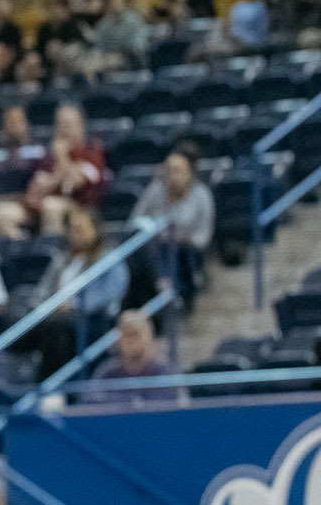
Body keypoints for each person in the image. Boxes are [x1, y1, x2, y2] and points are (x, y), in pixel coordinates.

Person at [28, 207, 128, 378]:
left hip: (95, 321)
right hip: (59, 318)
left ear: (95, 230)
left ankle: (51, 388)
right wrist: (45, 306)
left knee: (56, 329)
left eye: (80, 229)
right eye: (72, 229)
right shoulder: (62, 260)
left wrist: (73, 305)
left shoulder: (109, 260)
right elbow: (42, 291)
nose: (75, 234)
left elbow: (111, 292)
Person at [0, 105, 105, 238]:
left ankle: (53, 251)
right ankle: (21, 253)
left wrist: (61, 157)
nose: (64, 130)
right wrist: (56, 178)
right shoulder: (48, 156)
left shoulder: (91, 151)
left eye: (68, 124)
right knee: (4, 213)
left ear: (81, 126)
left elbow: (76, 183)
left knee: (51, 206)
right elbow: (33, 193)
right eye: (60, 124)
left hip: (79, 207)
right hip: (40, 205)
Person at [130, 149, 212, 315]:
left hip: (184, 251)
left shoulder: (201, 195)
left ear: (189, 174)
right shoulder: (155, 191)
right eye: (169, 171)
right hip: (153, 249)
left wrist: (177, 237)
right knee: (140, 244)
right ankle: (163, 287)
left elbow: (203, 237)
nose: (172, 176)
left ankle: (168, 291)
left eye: (178, 171)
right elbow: (134, 221)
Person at [86, 310, 179, 407]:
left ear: (149, 336)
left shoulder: (165, 372)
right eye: (126, 334)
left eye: (136, 333)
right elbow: (89, 406)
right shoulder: (106, 373)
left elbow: (179, 410)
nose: (131, 340)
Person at [85, 0, 148, 71]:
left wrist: (120, 55)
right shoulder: (103, 24)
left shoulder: (135, 21)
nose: (114, 2)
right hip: (109, 68)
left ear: (125, 1)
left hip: (133, 66)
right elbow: (98, 46)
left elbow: (139, 45)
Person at [32, 0, 86, 78]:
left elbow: (80, 45)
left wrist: (62, 50)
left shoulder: (73, 25)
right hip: (48, 62)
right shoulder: (44, 28)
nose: (54, 12)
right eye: (51, 9)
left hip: (70, 61)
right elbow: (38, 48)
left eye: (57, 9)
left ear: (65, 11)